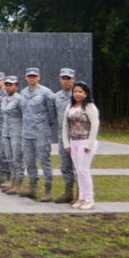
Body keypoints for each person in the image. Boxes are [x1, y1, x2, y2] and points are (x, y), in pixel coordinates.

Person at [18, 67, 56, 201]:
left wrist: (44, 126)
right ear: (26, 77)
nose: (32, 78)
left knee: (45, 160)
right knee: (29, 161)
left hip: (41, 132)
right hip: (27, 132)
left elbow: (52, 114)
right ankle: (32, 188)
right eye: (30, 76)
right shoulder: (22, 93)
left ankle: (48, 190)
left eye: (34, 76)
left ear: (39, 77)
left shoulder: (46, 93)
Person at [62, 81, 99, 210]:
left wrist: (89, 144)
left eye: (80, 92)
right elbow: (65, 125)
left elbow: (95, 125)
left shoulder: (89, 106)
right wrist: (66, 142)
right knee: (78, 171)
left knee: (84, 171)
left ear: (85, 93)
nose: (77, 94)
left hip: (85, 142)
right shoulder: (70, 106)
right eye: (75, 91)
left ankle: (89, 198)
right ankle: (81, 197)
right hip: (74, 142)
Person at [54, 68, 77, 203]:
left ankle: (82, 193)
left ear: (73, 79)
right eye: (64, 78)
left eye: (68, 78)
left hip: (78, 135)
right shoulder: (57, 96)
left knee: (79, 165)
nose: (66, 81)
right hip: (62, 135)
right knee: (65, 164)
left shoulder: (79, 95)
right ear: (60, 79)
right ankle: (68, 191)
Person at [0, 76, 24, 195]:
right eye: (7, 85)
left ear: (16, 86)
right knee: (9, 157)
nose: (8, 87)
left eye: (11, 85)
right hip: (6, 131)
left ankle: (18, 182)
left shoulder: (20, 99)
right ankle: (12, 180)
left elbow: (25, 116)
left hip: (17, 132)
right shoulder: (4, 99)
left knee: (17, 158)